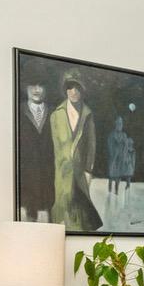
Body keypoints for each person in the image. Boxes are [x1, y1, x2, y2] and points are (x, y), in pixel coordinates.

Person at [48, 74, 102, 232]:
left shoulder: (87, 114)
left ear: (82, 91)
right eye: (70, 87)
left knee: (81, 210)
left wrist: (88, 170)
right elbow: (54, 146)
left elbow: (92, 144)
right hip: (61, 171)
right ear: (65, 90)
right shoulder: (56, 115)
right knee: (62, 209)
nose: (74, 91)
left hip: (80, 172)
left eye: (77, 87)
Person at [16, 78, 54, 220]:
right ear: (26, 88)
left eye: (41, 85)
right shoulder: (18, 110)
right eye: (32, 85)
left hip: (48, 175)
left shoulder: (54, 113)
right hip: (25, 177)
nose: (36, 90)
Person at [105, 114, 136, 211]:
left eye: (121, 123)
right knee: (112, 178)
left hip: (121, 160)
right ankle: (110, 196)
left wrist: (125, 153)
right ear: (115, 124)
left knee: (119, 178)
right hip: (114, 159)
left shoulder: (124, 135)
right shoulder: (111, 135)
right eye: (118, 123)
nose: (119, 125)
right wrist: (114, 153)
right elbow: (110, 146)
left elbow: (127, 146)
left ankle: (118, 195)